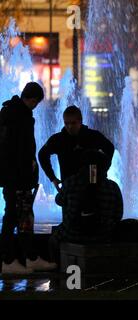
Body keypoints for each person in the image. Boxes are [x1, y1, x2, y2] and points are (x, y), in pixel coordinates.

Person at [0, 82, 56, 274]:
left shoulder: (13, 113)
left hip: (17, 178)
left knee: (24, 217)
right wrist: (26, 168)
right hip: (16, 179)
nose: (36, 106)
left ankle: (30, 257)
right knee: (12, 217)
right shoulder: (18, 116)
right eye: (36, 103)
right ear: (32, 99)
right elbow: (15, 150)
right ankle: (8, 260)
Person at [49, 149, 123, 263]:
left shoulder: (71, 182)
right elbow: (118, 214)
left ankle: (56, 266)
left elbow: (59, 200)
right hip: (103, 235)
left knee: (54, 238)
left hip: (73, 234)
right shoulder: (112, 187)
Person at [38, 105, 115, 192]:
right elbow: (42, 155)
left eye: (73, 123)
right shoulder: (58, 139)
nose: (70, 127)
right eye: (66, 123)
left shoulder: (92, 136)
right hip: (70, 189)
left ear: (80, 121)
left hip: (92, 188)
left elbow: (110, 148)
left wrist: (102, 171)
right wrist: (52, 178)